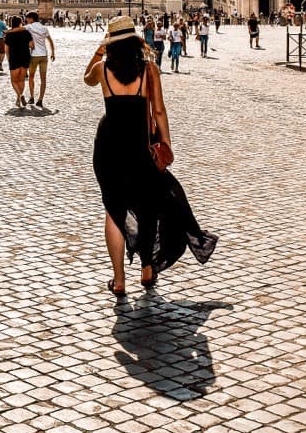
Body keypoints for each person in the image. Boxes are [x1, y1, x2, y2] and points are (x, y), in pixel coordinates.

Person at [84, 16, 217, 296]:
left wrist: (100, 49)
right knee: (147, 205)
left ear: (110, 43)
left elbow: (86, 79)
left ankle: (119, 279)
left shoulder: (102, 68)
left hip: (108, 142)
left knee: (113, 208)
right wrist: (166, 142)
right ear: (136, 41)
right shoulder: (150, 70)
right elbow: (158, 111)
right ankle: (146, 267)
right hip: (139, 142)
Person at [25, 10, 55, 108]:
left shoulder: (29, 27)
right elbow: (50, 41)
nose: (26, 20)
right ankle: (40, 100)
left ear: (31, 18)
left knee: (31, 77)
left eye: (27, 18)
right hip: (44, 56)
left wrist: (8, 31)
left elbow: (18, 29)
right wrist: (53, 53)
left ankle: (32, 97)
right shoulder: (44, 28)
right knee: (43, 79)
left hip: (34, 56)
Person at [3, 15, 33, 108]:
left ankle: (20, 95)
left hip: (14, 58)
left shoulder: (9, 34)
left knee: (14, 81)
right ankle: (18, 99)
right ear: (20, 23)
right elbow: (31, 45)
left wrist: (8, 59)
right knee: (21, 80)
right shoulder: (26, 32)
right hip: (25, 57)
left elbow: (6, 49)